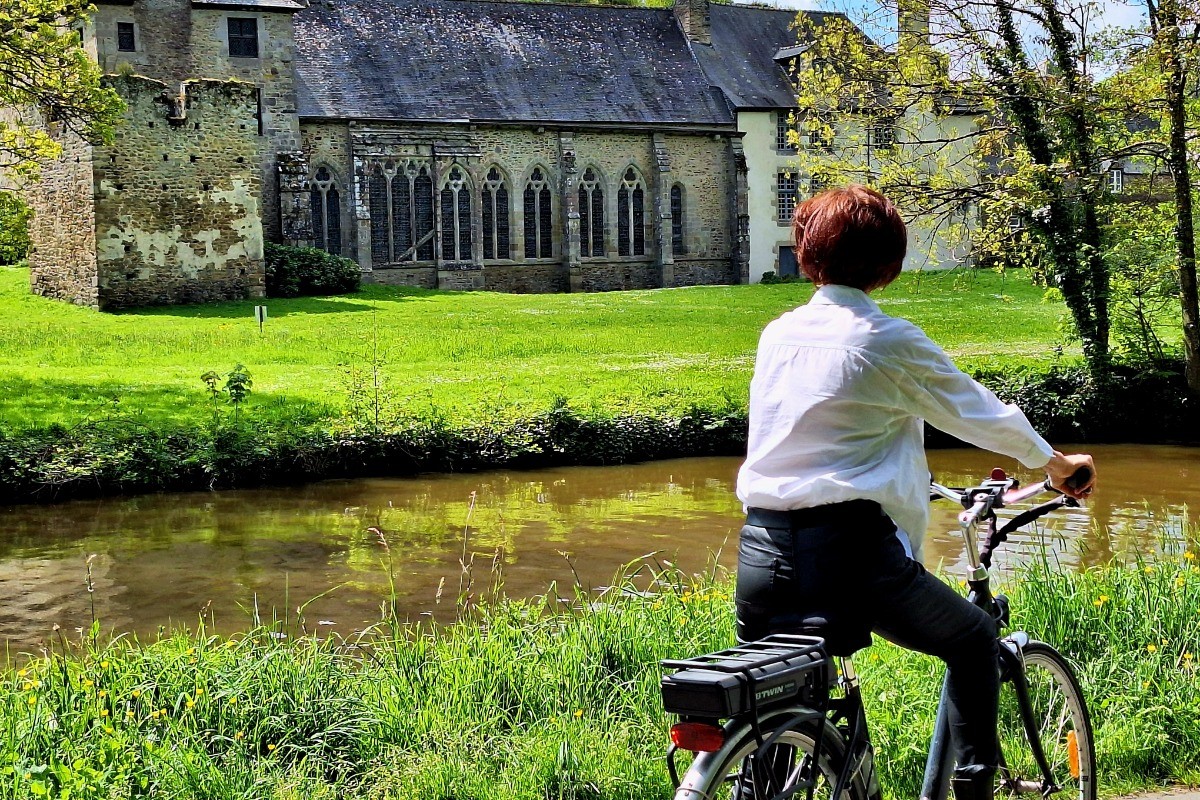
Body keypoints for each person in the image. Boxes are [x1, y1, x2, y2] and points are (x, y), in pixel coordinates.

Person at [734, 185, 1095, 800]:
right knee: (975, 641)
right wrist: (1055, 465)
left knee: (785, 711)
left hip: (762, 551)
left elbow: (825, 432)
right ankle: (973, 791)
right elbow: (978, 414)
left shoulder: (779, 334)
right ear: (888, 263)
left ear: (805, 253)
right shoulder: (884, 337)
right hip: (851, 557)